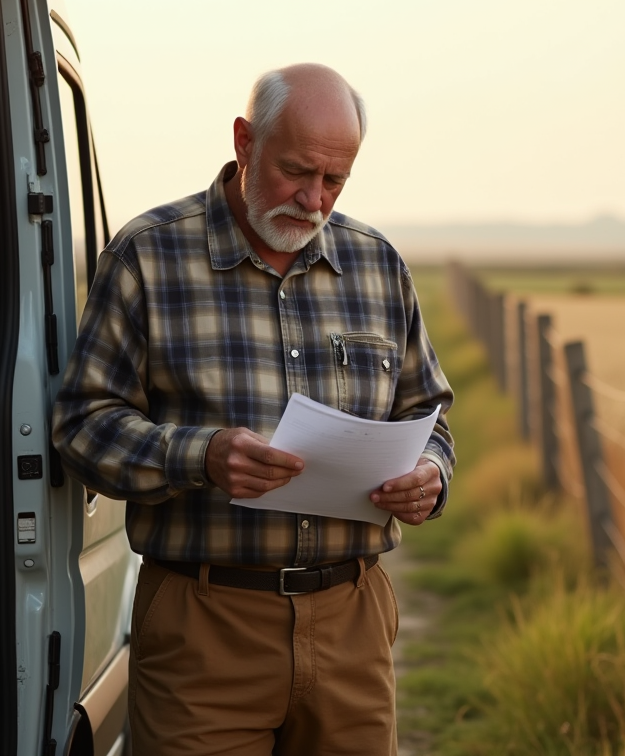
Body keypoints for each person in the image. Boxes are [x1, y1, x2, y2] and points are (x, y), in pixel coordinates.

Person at [51, 63, 455, 755]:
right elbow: (82, 425)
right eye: (298, 172)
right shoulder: (148, 256)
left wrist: (430, 474)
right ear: (245, 141)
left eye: (335, 181)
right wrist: (199, 456)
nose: (314, 198)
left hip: (354, 620)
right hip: (203, 625)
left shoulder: (378, 263)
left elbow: (430, 412)